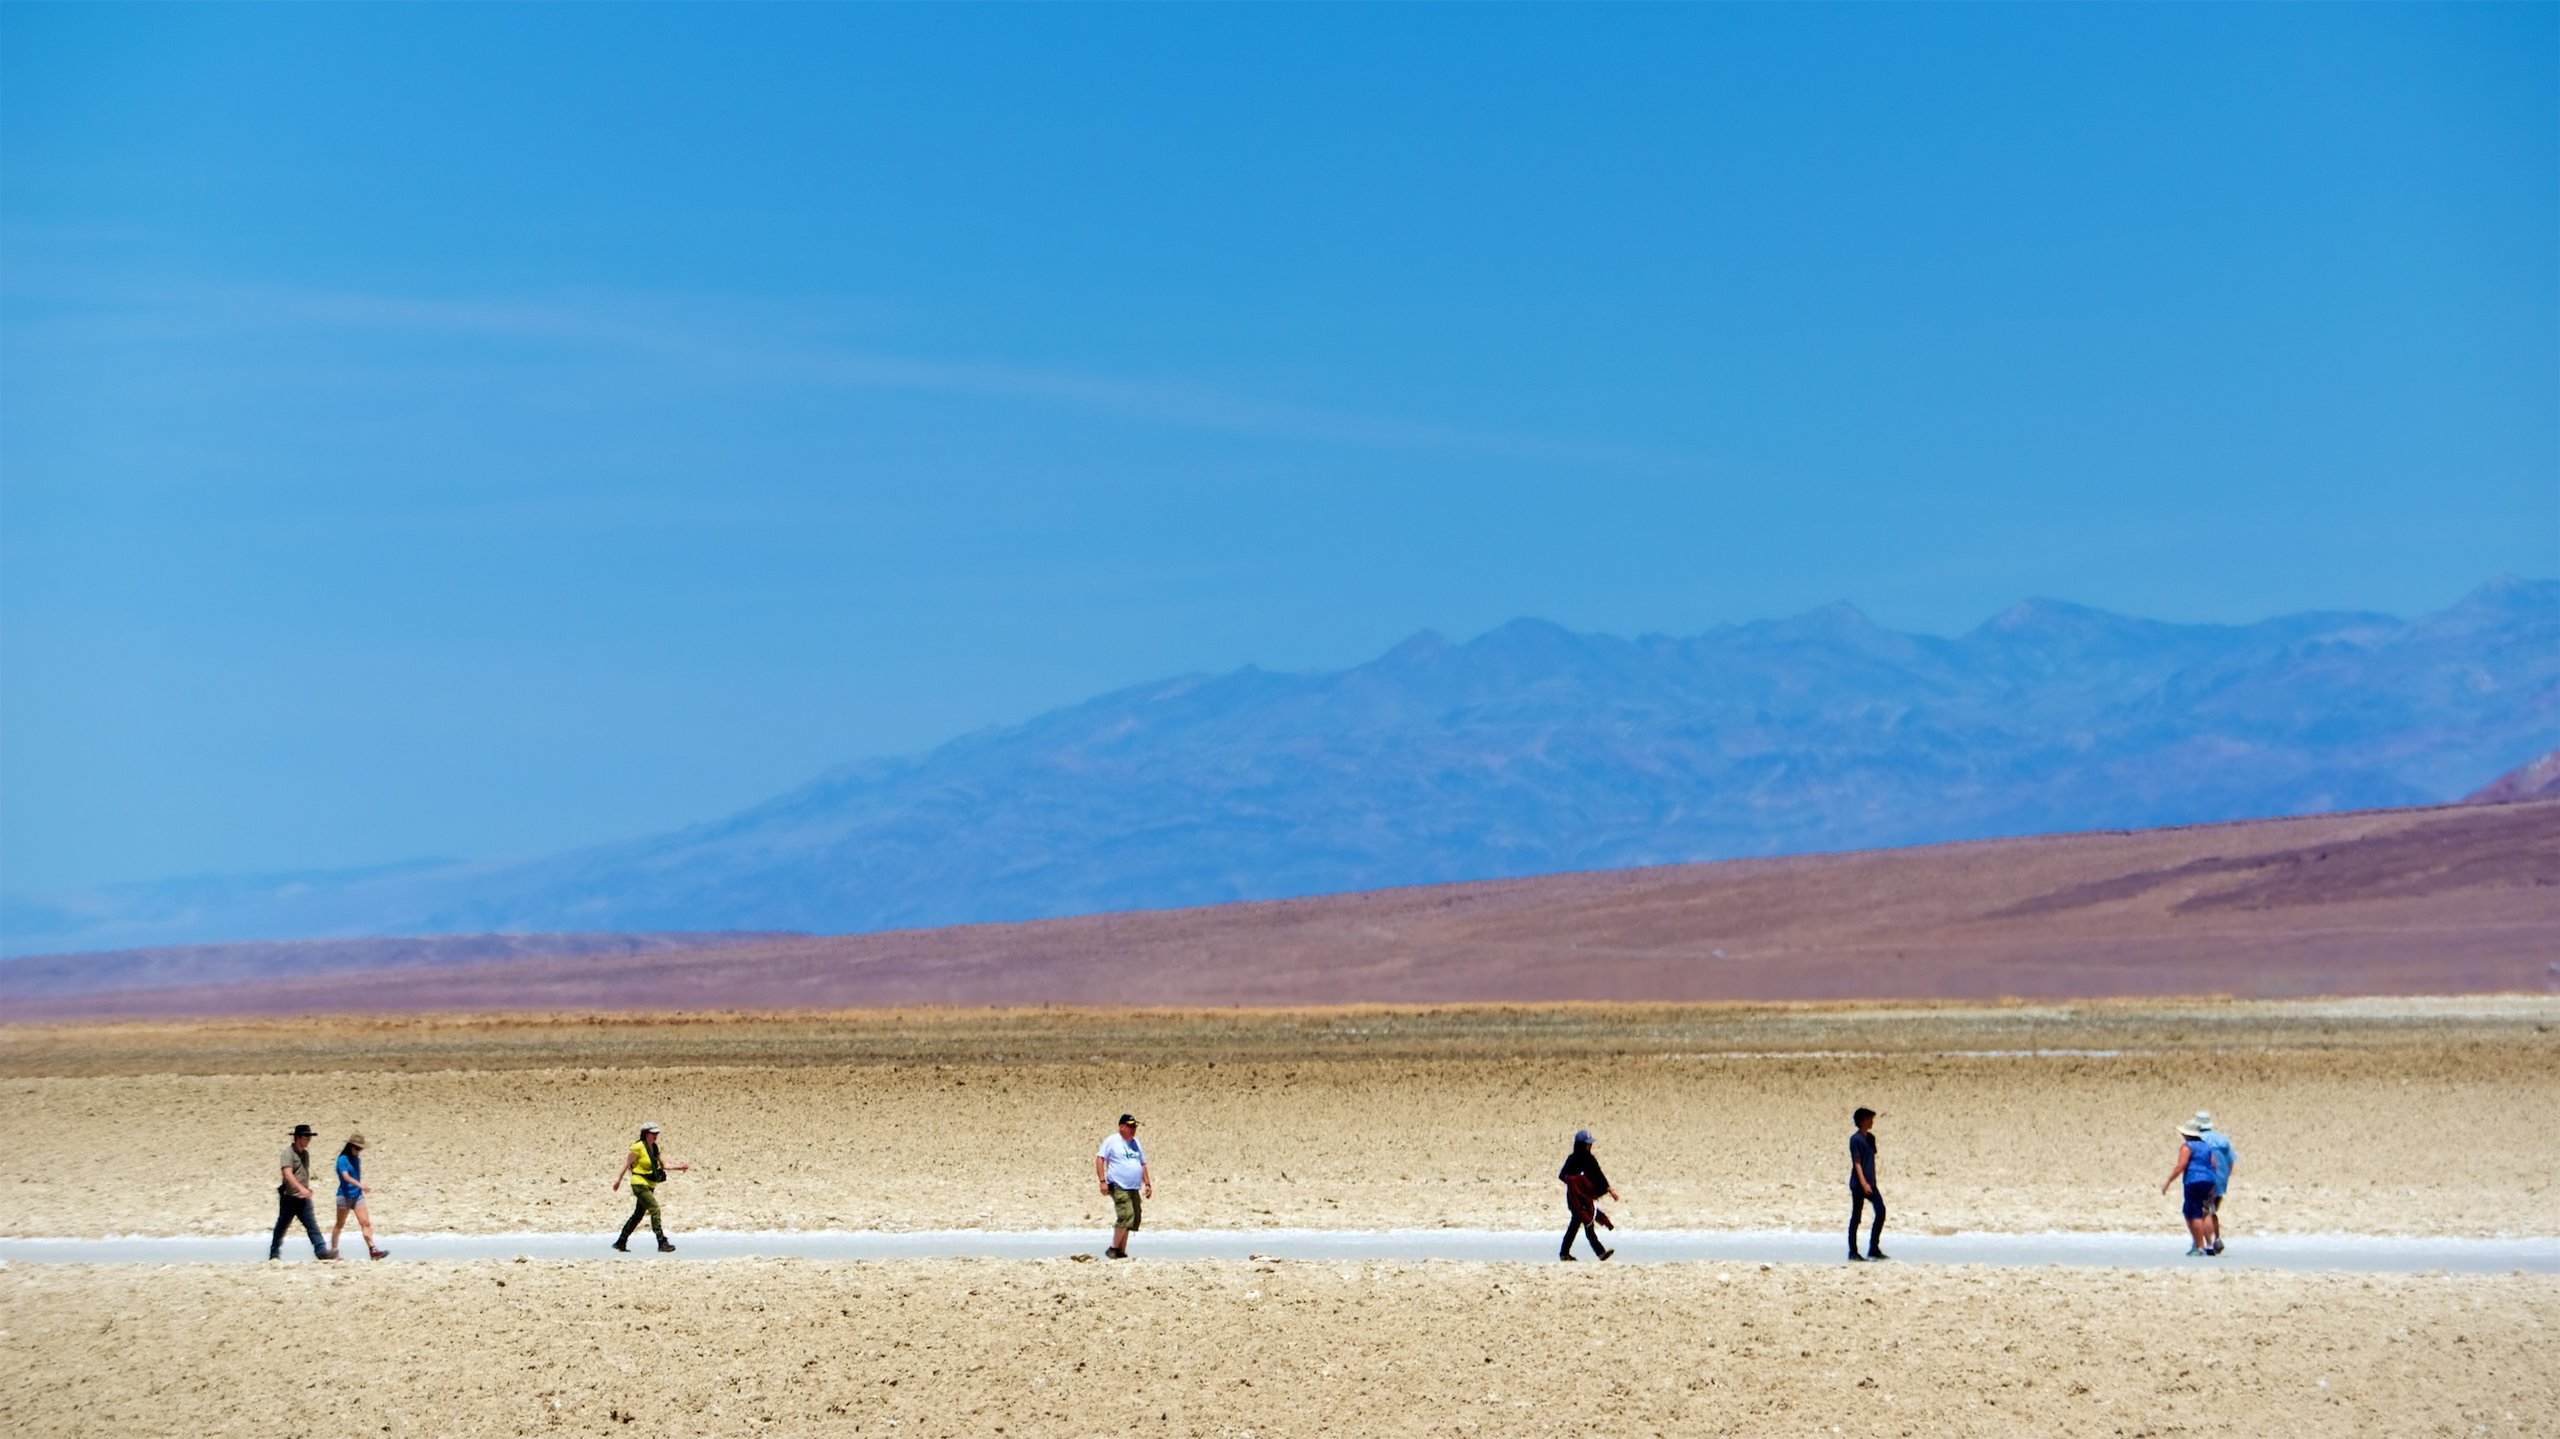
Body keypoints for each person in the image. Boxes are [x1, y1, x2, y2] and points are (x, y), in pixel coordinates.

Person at [612, 1122, 689, 1252]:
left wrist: (679, 1167)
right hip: (639, 1183)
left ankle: (621, 1241)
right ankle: (661, 1241)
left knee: (638, 1214)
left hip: (650, 1184)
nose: (656, 1136)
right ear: (646, 1134)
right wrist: (618, 1180)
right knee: (655, 1209)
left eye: (657, 1133)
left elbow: (664, 1165)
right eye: (653, 1134)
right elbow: (626, 1164)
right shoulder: (637, 1147)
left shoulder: (655, 1148)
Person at [271, 1123, 336, 1261]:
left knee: (312, 1225)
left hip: (302, 1198)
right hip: (289, 1197)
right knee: (281, 1226)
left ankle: (321, 1251)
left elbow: (303, 1173)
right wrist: (300, 1188)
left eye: (309, 1137)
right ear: (298, 1138)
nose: (308, 1140)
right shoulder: (287, 1153)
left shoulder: (305, 1154)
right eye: (306, 1137)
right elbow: (287, 1173)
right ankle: (274, 1254)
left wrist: (306, 1188)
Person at [2159, 1119, 2224, 1256]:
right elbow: (2214, 1165)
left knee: (2192, 1212)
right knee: (2206, 1211)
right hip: (2209, 1180)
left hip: (2193, 1181)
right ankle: (2210, 1244)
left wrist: (2168, 1182)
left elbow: (2180, 1166)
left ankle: (2199, 1247)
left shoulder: (2187, 1147)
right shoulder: (2206, 1146)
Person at [1094, 1113, 1150, 1259]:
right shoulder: (1112, 1141)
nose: (1133, 1129)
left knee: (1133, 1218)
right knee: (1125, 1215)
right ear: (1121, 1127)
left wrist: (1148, 1183)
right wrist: (1102, 1181)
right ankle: (1113, 1248)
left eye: (1134, 1127)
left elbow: (1142, 1163)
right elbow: (1100, 1159)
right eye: (1130, 1126)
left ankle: (1121, 1251)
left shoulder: (1136, 1143)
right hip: (1118, 1185)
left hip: (1134, 1187)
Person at [1557, 1129, 1616, 1261]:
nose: (1589, 1146)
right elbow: (1562, 1176)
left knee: (1576, 1225)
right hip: (1575, 1200)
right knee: (1588, 1224)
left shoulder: (1590, 1160)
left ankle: (1564, 1253)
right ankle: (1600, 1253)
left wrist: (1608, 1189)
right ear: (1580, 1145)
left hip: (1586, 1199)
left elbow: (1598, 1175)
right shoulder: (1572, 1160)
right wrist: (1576, 1181)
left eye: (1590, 1144)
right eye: (1587, 1144)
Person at [327, 1132, 388, 1260]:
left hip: (357, 1196)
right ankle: (333, 1250)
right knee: (339, 1224)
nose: (359, 1151)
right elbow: (346, 1177)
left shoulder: (356, 1159)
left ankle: (373, 1249)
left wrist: (360, 1188)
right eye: (357, 1148)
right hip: (344, 1196)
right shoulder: (342, 1160)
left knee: (365, 1222)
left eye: (360, 1148)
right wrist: (360, 1185)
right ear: (350, 1146)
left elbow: (355, 1176)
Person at [1847, 1107, 1887, 1262]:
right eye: (1870, 1119)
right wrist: (1864, 1183)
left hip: (1871, 1183)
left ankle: (1873, 1248)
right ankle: (1853, 1252)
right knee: (1856, 1217)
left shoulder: (1871, 1138)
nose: (1872, 1122)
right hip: (1858, 1184)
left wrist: (1871, 1182)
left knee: (1881, 1211)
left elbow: (1871, 1160)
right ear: (1862, 1120)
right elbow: (1857, 1162)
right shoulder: (1855, 1139)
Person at [2193, 1110, 2236, 1255]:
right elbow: (2230, 1162)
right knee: (2212, 1210)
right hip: (2221, 1180)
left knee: (2205, 1212)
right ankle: (2217, 1239)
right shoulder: (2222, 1140)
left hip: (2204, 1179)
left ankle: (2210, 1244)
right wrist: (2224, 1178)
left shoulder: (2197, 1141)